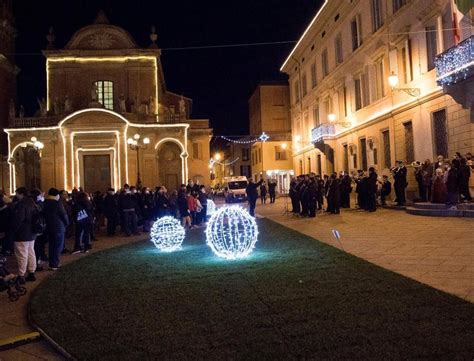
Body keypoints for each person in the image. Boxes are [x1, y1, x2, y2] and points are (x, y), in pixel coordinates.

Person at [11, 187, 38, 283]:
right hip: (32, 232)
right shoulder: (33, 203)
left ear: (21, 194)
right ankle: (32, 272)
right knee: (31, 252)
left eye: (17, 193)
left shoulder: (21, 204)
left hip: (22, 233)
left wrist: (13, 230)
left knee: (22, 254)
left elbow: (18, 220)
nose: (16, 195)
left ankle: (21, 275)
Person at [42, 188, 69, 270]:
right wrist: (67, 223)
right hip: (58, 227)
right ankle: (55, 263)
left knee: (52, 245)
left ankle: (52, 262)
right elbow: (63, 215)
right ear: (57, 195)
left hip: (48, 227)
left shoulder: (45, 203)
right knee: (58, 246)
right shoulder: (57, 203)